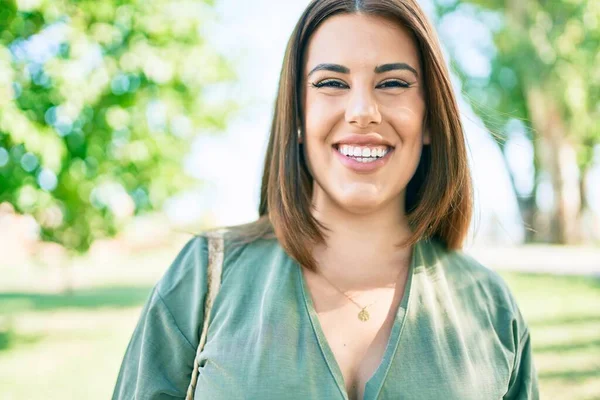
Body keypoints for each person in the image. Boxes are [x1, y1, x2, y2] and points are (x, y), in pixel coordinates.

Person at [112, 0, 539, 399]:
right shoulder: (205, 276)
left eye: (392, 83)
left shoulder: (492, 307)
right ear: (297, 116)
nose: (361, 110)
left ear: (429, 118)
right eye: (332, 83)